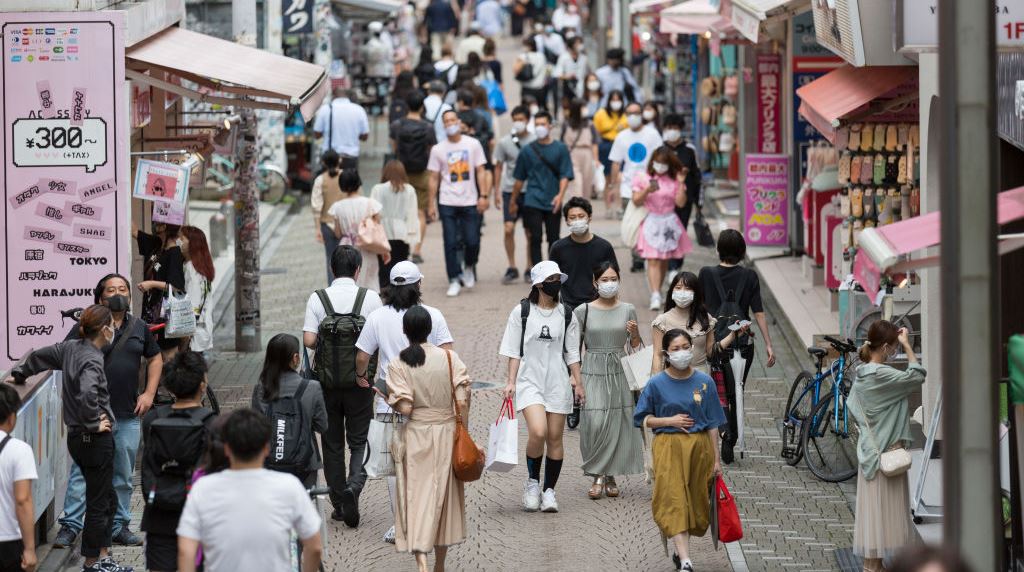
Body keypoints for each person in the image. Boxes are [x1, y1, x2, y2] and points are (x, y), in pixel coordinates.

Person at [8, 305, 133, 572]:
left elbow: (40, 356)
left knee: (105, 498)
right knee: (100, 502)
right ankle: (93, 562)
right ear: (103, 329)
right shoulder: (91, 358)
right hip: (93, 439)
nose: (115, 328)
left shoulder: (70, 349)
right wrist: (93, 423)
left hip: (78, 440)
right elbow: (89, 392)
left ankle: (102, 556)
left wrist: (21, 373)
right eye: (111, 324)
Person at [55, 274, 162, 551]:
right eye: (111, 290)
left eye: (123, 289)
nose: (118, 294)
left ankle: (119, 525)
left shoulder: (139, 327)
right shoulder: (86, 327)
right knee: (82, 473)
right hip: (91, 417)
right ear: (100, 297)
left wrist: (149, 393)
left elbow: (155, 358)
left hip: (127, 415)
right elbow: (63, 356)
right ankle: (71, 526)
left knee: (124, 473)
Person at [355, 261, 455, 544]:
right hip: (428, 401)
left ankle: (401, 522)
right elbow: (448, 355)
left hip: (391, 400)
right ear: (418, 286)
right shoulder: (433, 315)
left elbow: (362, 357)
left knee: (393, 464)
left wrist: (362, 377)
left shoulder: (377, 317)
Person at [176, 409, 323, 572]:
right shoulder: (289, 486)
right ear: (267, 448)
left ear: (227, 448)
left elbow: (186, 550)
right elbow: (314, 546)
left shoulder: (203, 488)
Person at [302, 246, 383, 527]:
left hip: (326, 384)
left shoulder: (317, 298)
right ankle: (354, 488)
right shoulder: (371, 299)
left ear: (332, 269)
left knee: (332, 443)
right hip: (360, 382)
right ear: (358, 270)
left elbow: (309, 340)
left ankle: (338, 503)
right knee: (361, 440)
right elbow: (377, 339)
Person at [386, 307, 471, 571]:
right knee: (444, 502)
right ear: (429, 329)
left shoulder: (398, 363)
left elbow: (406, 408)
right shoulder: (449, 358)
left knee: (417, 498)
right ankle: (440, 565)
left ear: (405, 331)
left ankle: (421, 560)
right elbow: (463, 400)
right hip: (446, 433)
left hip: (416, 437)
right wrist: (463, 432)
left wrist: (388, 397)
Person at [633, 329, 725, 572]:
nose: (682, 352)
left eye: (686, 346)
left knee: (694, 503)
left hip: (699, 449)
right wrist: (669, 421)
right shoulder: (655, 383)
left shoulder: (705, 382)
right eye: (676, 348)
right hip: (668, 448)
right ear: (666, 353)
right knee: (674, 500)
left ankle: (680, 551)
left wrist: (716, 460)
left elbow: (714, 422)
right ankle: (686, 561)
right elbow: (641, 419)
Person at [498, 261, 584, 513]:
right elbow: (514, 350)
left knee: (555, 437)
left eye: (558, 278)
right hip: (529, 380)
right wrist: (511, 381)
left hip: (557, 381)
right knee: (538, 432)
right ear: (538, 283)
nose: (556, 283)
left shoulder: (567, 314)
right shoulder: (522, 312)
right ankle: (533, 483)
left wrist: (578, 382)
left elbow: (572, 353)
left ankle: (549, 491)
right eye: (551, 279)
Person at [849, 321, 925, 572]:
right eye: (893, 349)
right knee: (880, 524)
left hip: (871, 455)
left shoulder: (862, 373)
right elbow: (917, 376)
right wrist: (907, 346)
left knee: (874, 526)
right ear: (884, 348)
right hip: (887, 455)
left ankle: (875, 567)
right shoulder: (880, 374)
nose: (895, 353)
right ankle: (873, 568)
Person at [698, 229, 777, 464]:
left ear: (718, 250)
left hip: (715, 342)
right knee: (736, 391)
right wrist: (769, 345)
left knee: (716, 390)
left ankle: (725, 431)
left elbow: (700, 308)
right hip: (743, 343)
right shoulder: (750, 276)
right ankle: (730, 438)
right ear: (742, 252)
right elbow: (759, 312)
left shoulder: (705, 273)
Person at [139, 351, 215, 572]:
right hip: (201, 522)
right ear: (202, 385)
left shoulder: (153, 420)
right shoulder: (213, 423)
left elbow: (149, 466)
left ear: (170, 386)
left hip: (159, 518)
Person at [574, 262, 644, 499]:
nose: (609, 283)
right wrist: (575, 379)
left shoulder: (628, 309)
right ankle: (597, 473)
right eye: (604, 279)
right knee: (595, 420)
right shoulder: (583, 311)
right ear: (595, 283)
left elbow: (636, 346)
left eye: (613, 278)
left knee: (616, 421)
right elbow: (573, 348)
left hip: (619, 370)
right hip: (592, 369)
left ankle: (609, 475)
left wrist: (634, 333)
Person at [427, 109, 490, 298]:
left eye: (452, 120)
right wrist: (431, 203)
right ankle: (454, 278)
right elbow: (433, 178)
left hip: (470, 199)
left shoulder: (473, 144)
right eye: (446, 122)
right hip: (447, 200)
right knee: (450, 242)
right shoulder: (438, 149)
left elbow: (481, 170)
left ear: (459, 122)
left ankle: (469, 266)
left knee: (472, 240)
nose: (450, 124)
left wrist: (484, 195)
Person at [251, 334, 328, 487]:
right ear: (295, 358)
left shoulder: (261, 389)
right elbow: (322, 426)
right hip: (305, 463)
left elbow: (256, 428)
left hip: (269, 463)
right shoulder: (312, 387)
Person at [511, 111, 574, 272]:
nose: (540, 127)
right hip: (532, 200)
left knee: (554, 239)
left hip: (553, 200)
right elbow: (519, 179)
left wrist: (560, 196)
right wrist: (513, 201)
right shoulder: (527, 150)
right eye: (537, 124)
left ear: (550, 126)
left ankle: (553, 271)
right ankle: (539, 272)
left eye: (542, 124)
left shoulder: (560, 149)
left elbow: (565, 175)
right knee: (535, 237)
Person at [652, 271, 746, 376]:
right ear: (672, 292)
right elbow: (657, 355)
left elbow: (711, 352)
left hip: (701, 376)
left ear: (695, 293)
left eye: (688, 288)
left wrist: (732, 336)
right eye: (678, 287)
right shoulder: (662, 321)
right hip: (671, 377)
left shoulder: (705, 318)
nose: (682, 292)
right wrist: (656, 383)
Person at [633, 146, 692, 310]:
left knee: (665, 259)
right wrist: (646, 190)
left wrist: (681, 182)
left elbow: (681, 203)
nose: (660, 166)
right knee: (652, 259)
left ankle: (659, 290)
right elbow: (636, 200)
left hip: (669, 222)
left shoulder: (674, 180)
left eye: (664, 163)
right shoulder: (643, 177)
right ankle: (655, 294)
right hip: (651, 221)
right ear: (653, 161)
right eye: (658, 162)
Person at [389, 91, 437, 266]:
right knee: (420, 213)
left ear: (407, 106)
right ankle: (417, 250)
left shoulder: (396, 125)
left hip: (401, 173)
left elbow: (394, 148)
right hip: (422, 172)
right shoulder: (428, 127)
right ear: (422, 106)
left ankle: (403, 246)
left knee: (401, 212)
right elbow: (432, 150)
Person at [548, 197, 618, 309]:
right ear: (566, 221)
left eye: (581, 216)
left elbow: (614, 278)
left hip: (597, 306)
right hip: (568, 307)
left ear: (589, 217)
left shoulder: (604, 247)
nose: (577, 220)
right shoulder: (558, 248)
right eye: (572, 217)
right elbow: (551, 280)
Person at [493, 106, 537, 285]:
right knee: (508, 228)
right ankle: (512, 267)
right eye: (515, 119)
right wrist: (496, 191)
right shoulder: (505, 142)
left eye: (521, 119)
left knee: (529, 232)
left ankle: (529, 266)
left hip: (530, 191)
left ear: (527, 120)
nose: (518, 122)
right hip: (509, 191)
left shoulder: (535, 141)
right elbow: (498, 166)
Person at [328, 170, 389, 293]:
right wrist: (384, 250)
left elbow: (338, 233)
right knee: (370, 283)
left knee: (348, 282)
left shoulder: (337, 207)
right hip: (368, 247)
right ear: (358, 182)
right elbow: (378, 229)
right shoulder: (371, 204)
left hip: (346, 248)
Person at [0, 384, 37, 572]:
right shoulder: (19, 450)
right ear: (11, 415)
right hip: (7, 542)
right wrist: (29, 549)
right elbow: (22, 500)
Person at [607, 102, 663, 218]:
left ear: (642, 114)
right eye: (629, 113)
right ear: (626, 115)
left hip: (650, 186)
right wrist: (612, 186)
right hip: (628, 188)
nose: (633, 116)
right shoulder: (621, 136)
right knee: (630, 222)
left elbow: (661, 158)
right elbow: (616, 163)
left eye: (636, 113)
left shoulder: (652, 134)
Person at [371, 160, 421, 288]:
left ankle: (385, 296)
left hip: (383, 234)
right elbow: (412, 216)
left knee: (383, 269)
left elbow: (372, 212)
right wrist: (413, 238)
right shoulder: (409, 190)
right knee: (400, 271)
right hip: (402, 234)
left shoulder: (378, 189)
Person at [134, 222, 185, 339]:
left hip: (165, 313)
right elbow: (134, 231)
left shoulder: (175, 253)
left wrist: (151, 284)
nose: (154, 222)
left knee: (167, 354)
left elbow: (177, 286)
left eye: (158, 221)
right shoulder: (158, 245)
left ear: (164, 227)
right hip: (152, 310)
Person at [662, 114, 702, 239]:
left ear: (680, 129)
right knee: (665, 231)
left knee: (680, 231)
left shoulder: (689, 149)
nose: (672, 131)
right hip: (664, 198)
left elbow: (697, 175)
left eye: (675, 128)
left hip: (685, 198)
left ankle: (678, 258)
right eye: (669, 128)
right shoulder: (660, 149)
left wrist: (698, 202)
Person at [313, 87, 370, 170]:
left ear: (333, 96)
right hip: (351, 157)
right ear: (347, 96)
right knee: (349, 182)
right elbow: (365, 136)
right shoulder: (359, 110)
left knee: (330, 182)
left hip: (330, 158)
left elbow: (317, 134)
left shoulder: (325, 109)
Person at [179, 226, 214, 356]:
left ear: (191, 243)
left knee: (193, 372)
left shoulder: (191, 270)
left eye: (182, 239)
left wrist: (185, 335)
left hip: (194, 332)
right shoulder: (200, 267)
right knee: (199, 371)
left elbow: (192, 305)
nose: (179, 242)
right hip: (202, 328)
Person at [311, 150, 346, 283]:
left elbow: (316, 205)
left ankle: (333, 287)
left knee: (331, 258)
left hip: (327, 224)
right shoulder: (346, 176)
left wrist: (317, 228)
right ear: (339, 161)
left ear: (323, 163)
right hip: (346, 224)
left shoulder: (320, 180)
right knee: (348, 258)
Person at [560, 98, 597, 200]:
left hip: (587, 154)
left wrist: (596, 159)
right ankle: (576, 208)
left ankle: (584, 210)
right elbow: (562, 142)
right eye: (583, 107)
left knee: (586, 185)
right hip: (572, 154)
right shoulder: (567, 124)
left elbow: (594, 142)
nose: (585, 109)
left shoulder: (589, 124)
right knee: (576, 184)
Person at [593, 90, 627, 194]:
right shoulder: (600, 114)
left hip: (622, 147)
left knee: (620, 177)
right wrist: (595, 157)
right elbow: (594, 136)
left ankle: (618, 204)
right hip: (605, 146)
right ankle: (608, 207)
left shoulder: (626, 115)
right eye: (613, 100)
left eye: (618, 100)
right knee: (607, 178)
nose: (615, 102)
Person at [423, 81, 455, 165]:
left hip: (423, 149)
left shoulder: (421, 105)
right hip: (442, 147)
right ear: (443, 92)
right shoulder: (446, 108)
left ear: (428, 91)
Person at [514, 36, 549, 110]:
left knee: (526, 111)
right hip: (541, 88)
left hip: (527, 89)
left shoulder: (522, 56)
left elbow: (515, 70)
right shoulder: (541, 56)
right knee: (540, 110)